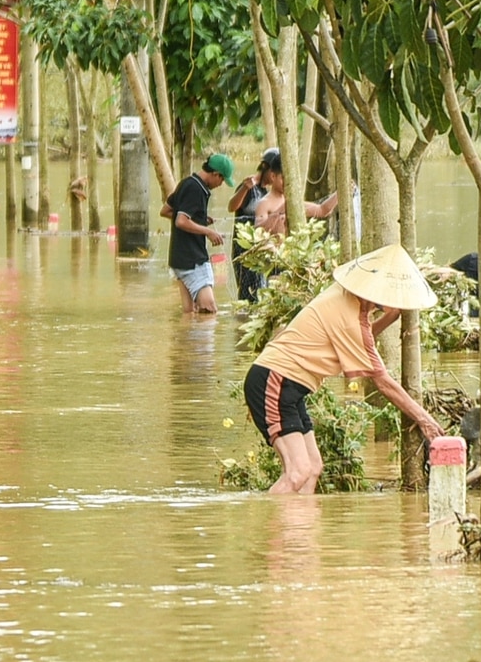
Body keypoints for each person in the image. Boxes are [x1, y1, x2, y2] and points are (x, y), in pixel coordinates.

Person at [244, 243, 445, 494]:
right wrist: (424, 419)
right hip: (275, 379)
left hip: (290, 386)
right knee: (297, 473)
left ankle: (298, 531)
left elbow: (359, 340)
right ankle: (269, 528)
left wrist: (391, 317)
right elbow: (382, 381)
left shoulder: (343, 297)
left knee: (312, 468)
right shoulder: (350, 319)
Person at [162, 153, 234, 314]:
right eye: (222, 180)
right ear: (215, 174)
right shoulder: (196, 189)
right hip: (192, 259)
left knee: (190, 313)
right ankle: (202, 340)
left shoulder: (186, 183)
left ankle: (186, 340)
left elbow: (166, 211)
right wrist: (208, 231)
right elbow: (180, 221)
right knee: (209, 310)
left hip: (178, 258)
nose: (221, 184)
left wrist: (198, 220)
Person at [227, 151, 274, 302]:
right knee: (248, 293)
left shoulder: (264, 191)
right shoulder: (249, 186)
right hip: (244, 249)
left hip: (259, 248)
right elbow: (232, 207)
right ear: (266, 168)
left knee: (260, 291)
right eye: (274, 173)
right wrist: (244, 189)